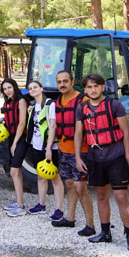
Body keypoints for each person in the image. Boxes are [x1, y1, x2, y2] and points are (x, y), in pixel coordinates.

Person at [75, 73, 129, 252]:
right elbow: (79, 134)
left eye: (96, 86)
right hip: (95, 157)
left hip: (116, 156)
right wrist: (78, 157)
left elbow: (125, 131)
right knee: (101, 196)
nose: (93, 90)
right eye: (89, 87)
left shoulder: (114, 105)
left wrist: (128, 156)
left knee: (121, 198)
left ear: (103, 87)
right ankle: (105, 232)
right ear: (85, 89)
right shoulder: (82, 109)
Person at [51, 70, 96, 237]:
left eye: (65, 81)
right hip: (64, 149)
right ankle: (70, 218)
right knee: (69, 184)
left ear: (71, 82)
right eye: (59, 82)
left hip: (81, 151)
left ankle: (90, 225)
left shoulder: (83, 101)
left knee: (81, 188)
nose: (62, 84)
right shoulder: (59, 101)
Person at [24, 81, 65, 220]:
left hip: (49, 147)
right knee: (41, 175)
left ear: (41, 88)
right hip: (36, 146)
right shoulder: (33, 106)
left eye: (35, 87)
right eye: (30, 88)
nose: (33, 90)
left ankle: (59, 209)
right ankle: (41, 205)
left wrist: (49, 147)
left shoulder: (50, 104)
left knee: (55, 177)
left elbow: (52, 126)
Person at [0, 79, 29, 217]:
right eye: (5, 89)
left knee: (14, 171)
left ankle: (20, 206)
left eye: (9, 87)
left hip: (21, 138)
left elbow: (22, 123)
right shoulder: (8, 102)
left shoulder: (21, 101)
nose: (7, 91)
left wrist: (15, 143)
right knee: (17, 172)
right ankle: (18, 201)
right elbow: (10, 117)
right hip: (12, 138)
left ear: (14, 87)